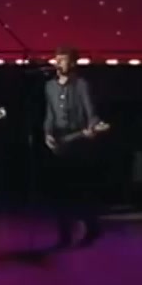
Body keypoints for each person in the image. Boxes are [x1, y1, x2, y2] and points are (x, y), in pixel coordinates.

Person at [43, 46, 103, 248]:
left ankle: (90, 228)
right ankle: (64, 235)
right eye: (57, 59)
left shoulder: (81, 85)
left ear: (73, 63)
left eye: (64, 59)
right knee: (59, 192)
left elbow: (91, 112)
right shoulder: (49, 86)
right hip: (59, 143)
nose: (59, 63)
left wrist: (92, 127)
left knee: (79, 189)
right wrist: (47, 134)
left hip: (78, 142)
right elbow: (50, 114)